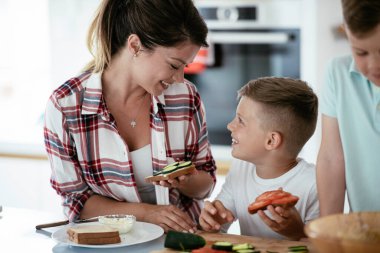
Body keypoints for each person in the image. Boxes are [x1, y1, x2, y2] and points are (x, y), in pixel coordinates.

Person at [43, 0, 216, 233]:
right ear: (135, 45)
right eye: (175, 65)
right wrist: (147, 213)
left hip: (181, 243)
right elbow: (77, 202)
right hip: (108, 244)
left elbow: (206, 184)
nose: (179, 78)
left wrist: (187, 178)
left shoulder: (185, 97)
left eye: (185, 66)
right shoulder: (66, 106)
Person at [199, 77, 319, 240]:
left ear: (271, 141)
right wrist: (212, 221)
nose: (230, 125)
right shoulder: (242, 167)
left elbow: (325, 247)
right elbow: (218, 225)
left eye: (240, 121)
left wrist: (297, 232)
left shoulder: (316, 185)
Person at [316, 0, 380, 215]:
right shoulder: (338, 73)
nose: (374, 65)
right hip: (363, 232)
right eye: (361, 53)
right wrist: (328, 230)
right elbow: (331, 158)